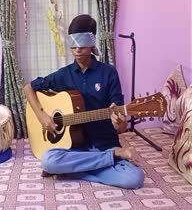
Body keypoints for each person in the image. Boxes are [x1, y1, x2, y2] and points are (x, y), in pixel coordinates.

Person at [23, 14, 144, 189]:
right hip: (75, 147)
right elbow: (28, 88)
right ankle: (110, 159)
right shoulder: (64, 74)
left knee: (135, 178)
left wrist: (120, 122)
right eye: (73, 43)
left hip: (105, 144)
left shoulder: (108, 73)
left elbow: (121, 127)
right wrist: (42, 116)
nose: (77, 49)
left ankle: (71, 169)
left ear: (92, 42)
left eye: (82, 42)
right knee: (48, 159)